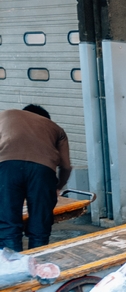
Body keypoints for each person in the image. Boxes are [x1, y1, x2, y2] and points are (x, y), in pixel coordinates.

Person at [0, 105, 72, 252]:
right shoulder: (56, 129)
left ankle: (14, 269)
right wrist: (58, 186)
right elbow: (66, 166)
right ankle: (38, 265)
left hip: (7, 167)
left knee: (8, 224)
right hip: (43, 171)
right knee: (40, 224)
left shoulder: (5, 115)